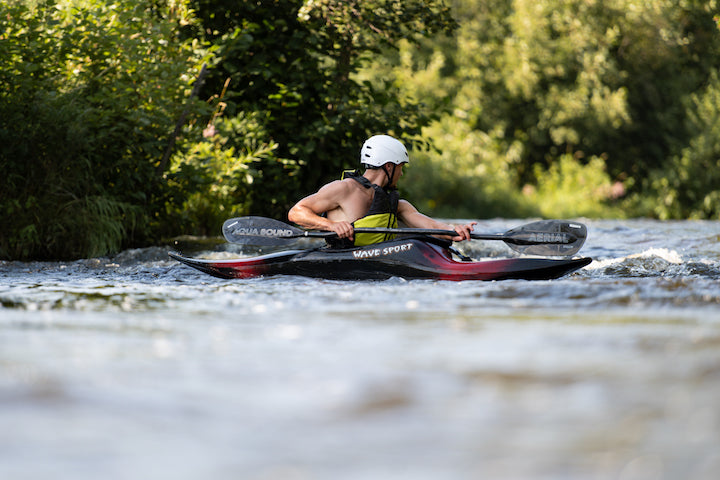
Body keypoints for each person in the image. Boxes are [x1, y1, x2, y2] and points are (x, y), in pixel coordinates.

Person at [288, 134, 476, 248]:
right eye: (401, 167)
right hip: (341, 265)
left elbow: (433, 228)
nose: (401, 174)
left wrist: (455, 230)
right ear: (389, 166)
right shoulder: (344, 189)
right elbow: (296, 212)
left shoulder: (399, 206)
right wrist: (331, 225)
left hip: (380, 265)